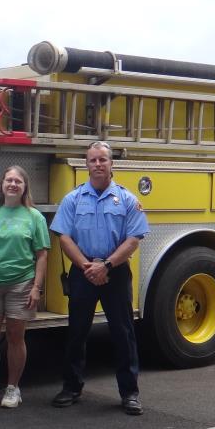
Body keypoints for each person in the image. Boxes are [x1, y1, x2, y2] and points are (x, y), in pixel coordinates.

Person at [50, 141, 149, 415]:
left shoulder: (128, 200)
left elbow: (133, 239)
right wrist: (86, 266)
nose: (97, 165)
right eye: (92, 160)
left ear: (111, 164)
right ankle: (71, 387)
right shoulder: (73, 199)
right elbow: (64, 237)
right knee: (76, 332)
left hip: (114, 273)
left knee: (123, 333)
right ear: (86, 165)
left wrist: (105, 265)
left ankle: (129, 393)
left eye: (102, 160)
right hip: (83, 272)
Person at [0, 165, 50, 408]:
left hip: (21, 283)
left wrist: (36, 287)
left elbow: (42, 255)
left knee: (15, 336)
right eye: (9, 180)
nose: (13, 185)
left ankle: (13, 388)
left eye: (18, 181)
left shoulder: (34, 217)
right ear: (2, 185)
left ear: (25, 187)